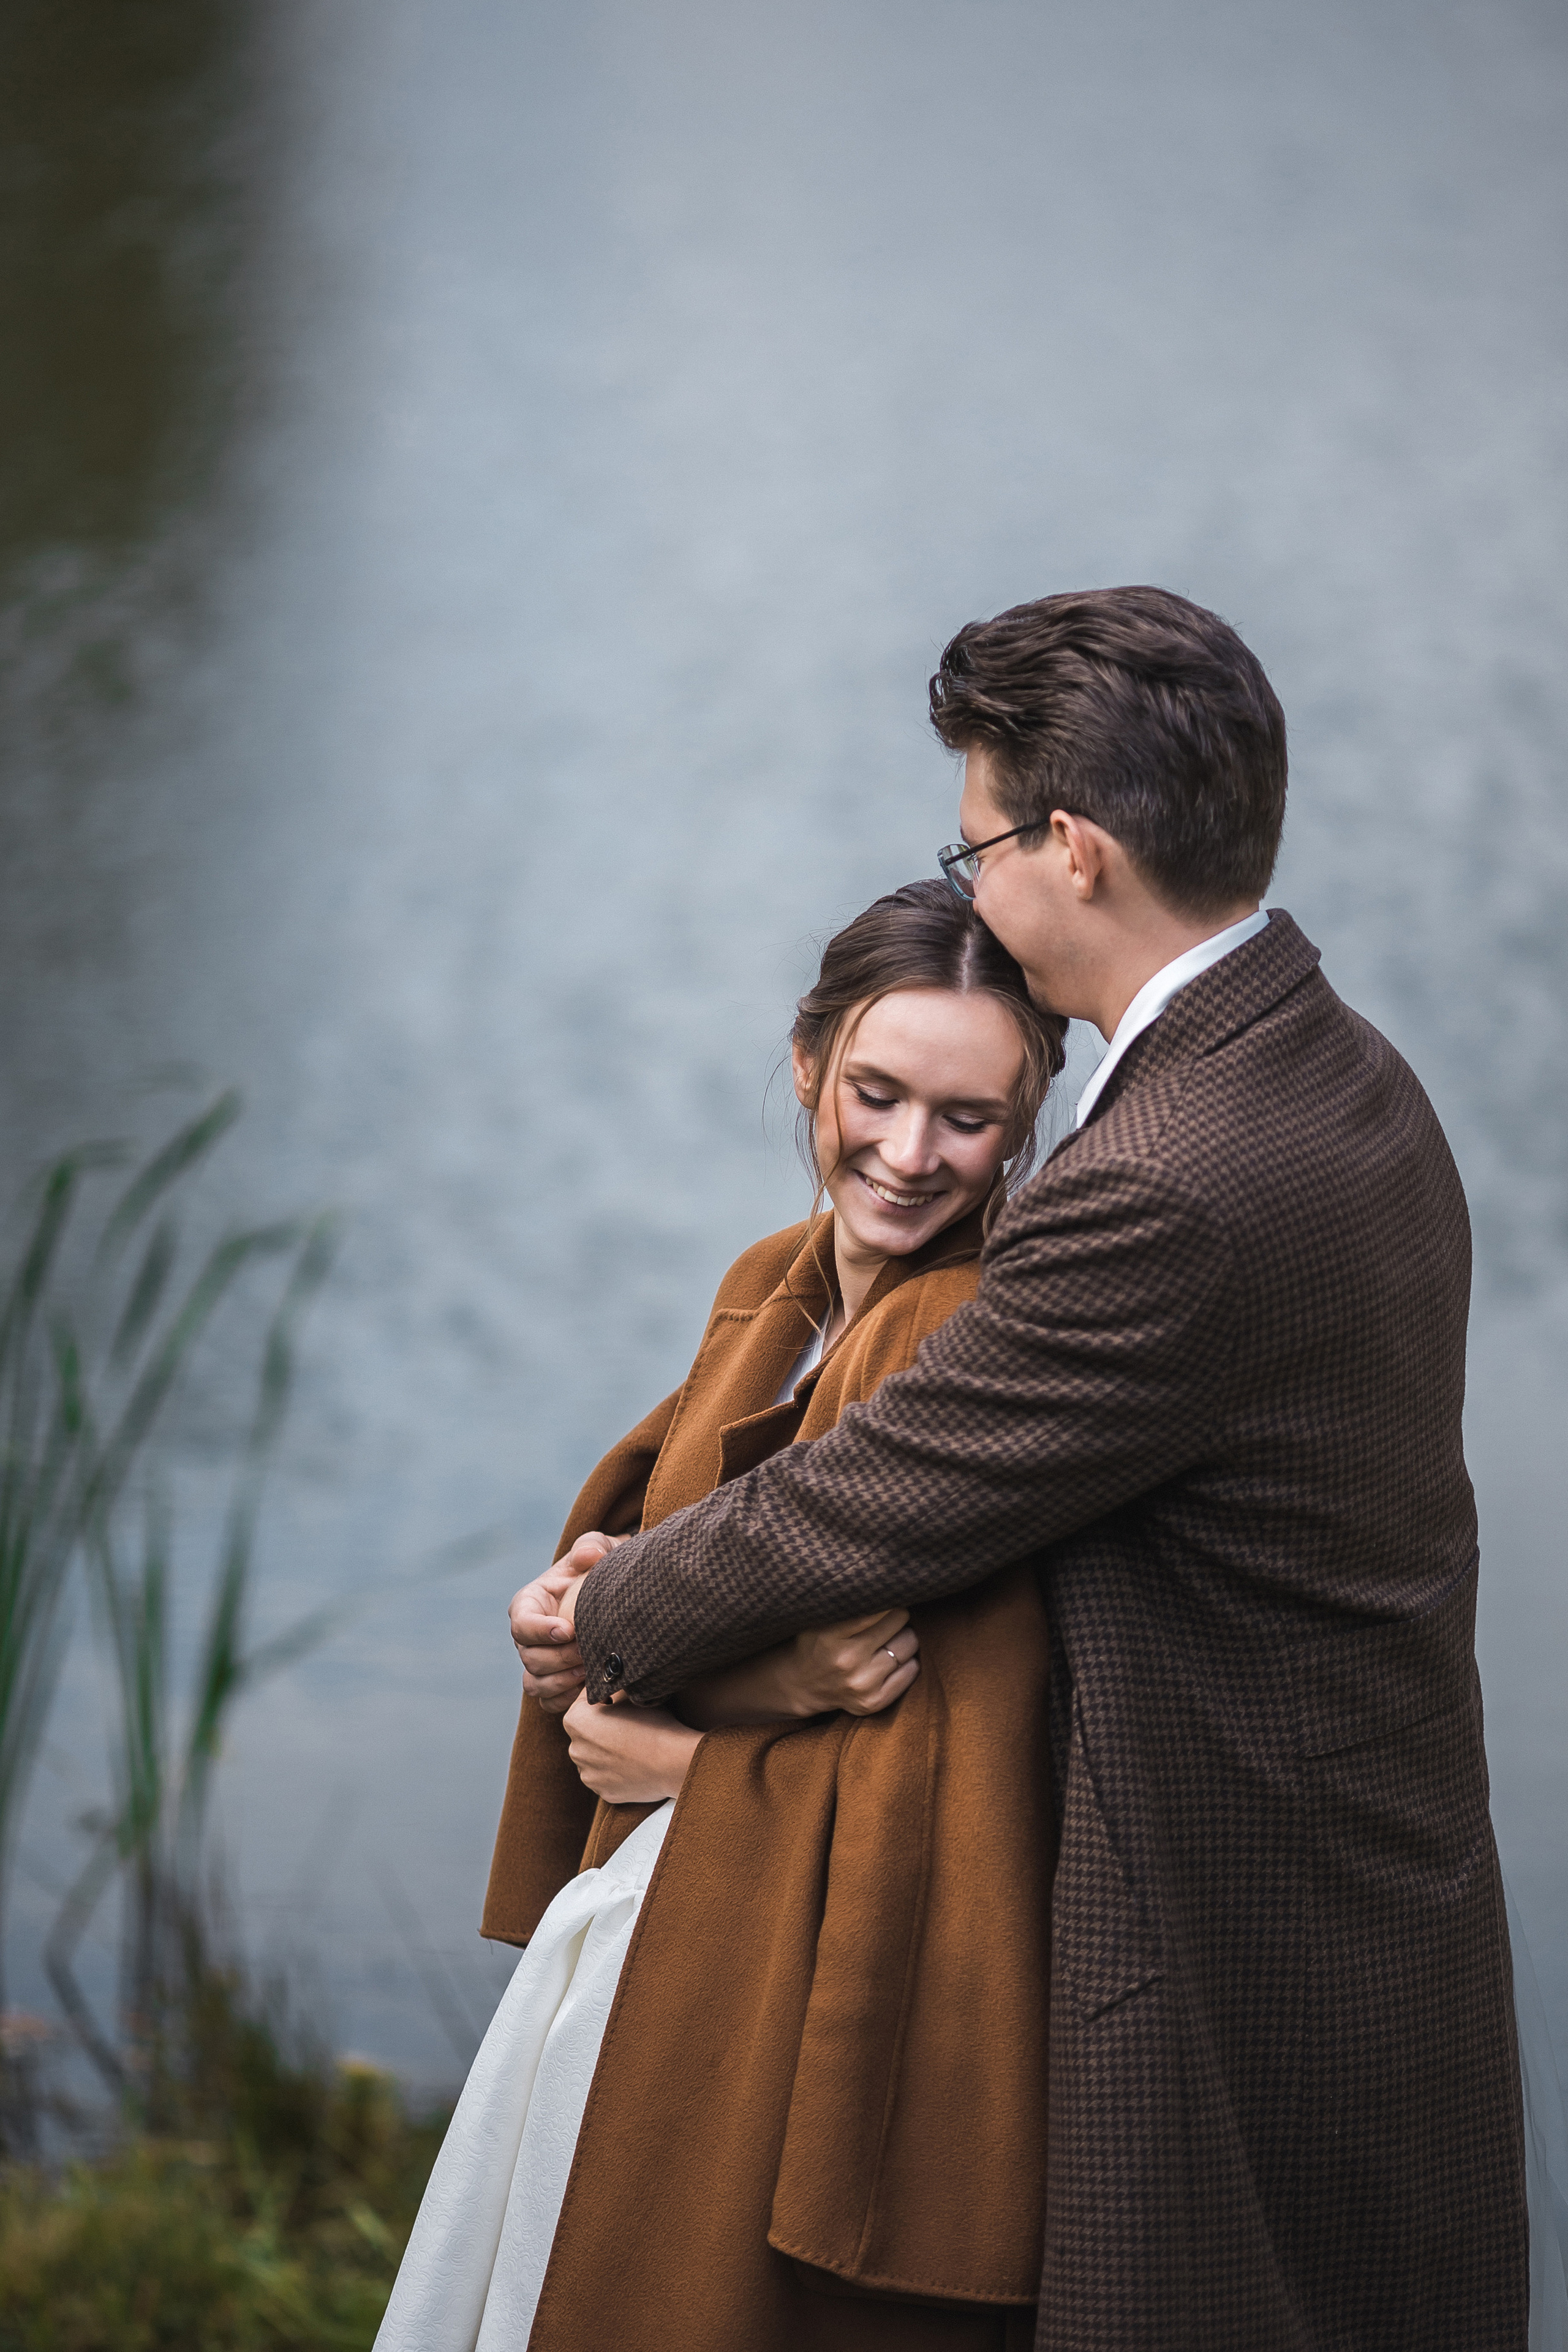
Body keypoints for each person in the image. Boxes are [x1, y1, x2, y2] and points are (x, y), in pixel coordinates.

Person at [524, 587, 1533, 2350]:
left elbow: (878, 1491)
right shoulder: (1351, 1073)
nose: (971, 881)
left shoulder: (1163, 1181)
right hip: (1377, 1907)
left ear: (1072, 852)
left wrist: (616, 1611)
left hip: (1228, 1953)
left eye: (975, 841)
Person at [375, 880, 1068, 2352]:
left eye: (968, 1118)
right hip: (661, 1903)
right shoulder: (773, 1282)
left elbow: (969, 1751)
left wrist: (698, 1761)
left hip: (787, 1968)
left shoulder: (969, 1336)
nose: (905, 1154)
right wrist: (573, 1614)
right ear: (809, 1058)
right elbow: (654, 1559)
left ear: (1029, 1118)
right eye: (874, 1093)